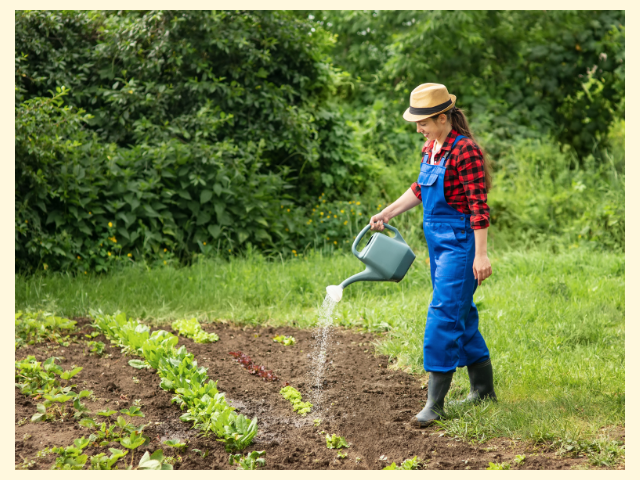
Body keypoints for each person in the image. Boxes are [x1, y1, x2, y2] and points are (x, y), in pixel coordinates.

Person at [369, 83, 496, 427]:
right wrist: (388, 212)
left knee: (442, 314)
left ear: (442, 117)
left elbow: (478, 206)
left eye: (423, 121)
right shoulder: (431, 147)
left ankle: (434, 404)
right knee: (461, 313)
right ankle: (483, 390)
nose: (418, 128)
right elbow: (419, 189)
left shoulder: (464, 150)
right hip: (438, 247)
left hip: (461, 243)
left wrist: (480, 255)